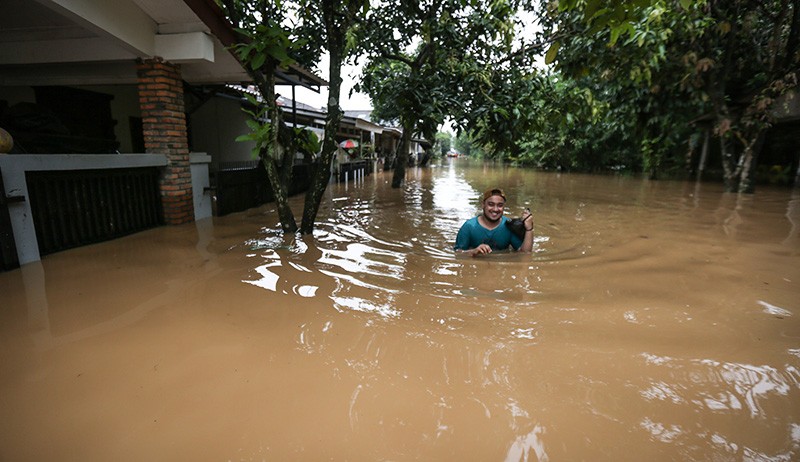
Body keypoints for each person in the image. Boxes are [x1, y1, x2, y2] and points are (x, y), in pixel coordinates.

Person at [454, 188, 533, 257]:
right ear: (483, 205)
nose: (495, 209)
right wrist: (474, 251)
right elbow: (458, 253)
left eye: (500, 205)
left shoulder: (509, 226)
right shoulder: (469, 226)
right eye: (491, 204)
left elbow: (525, 253)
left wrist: (529, 229)